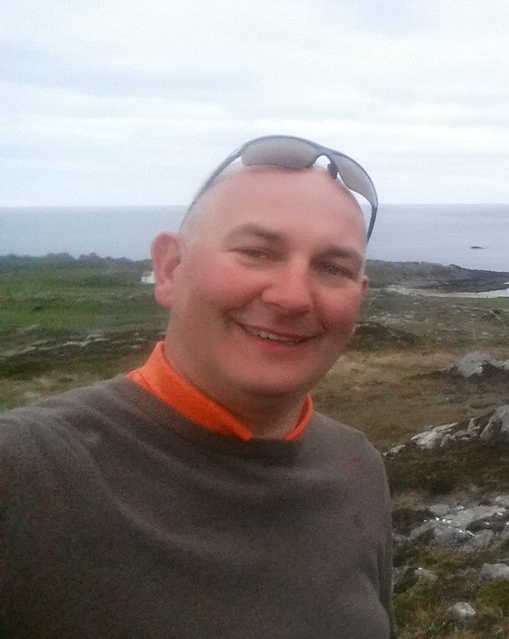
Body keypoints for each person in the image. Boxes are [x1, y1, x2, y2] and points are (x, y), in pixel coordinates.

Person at [0, 135, 395, 637]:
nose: (293, 297)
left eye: (333, 268)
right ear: (170, 269)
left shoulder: (358, 466)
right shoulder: (25, 473)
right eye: (256, 252)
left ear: (357, 298)